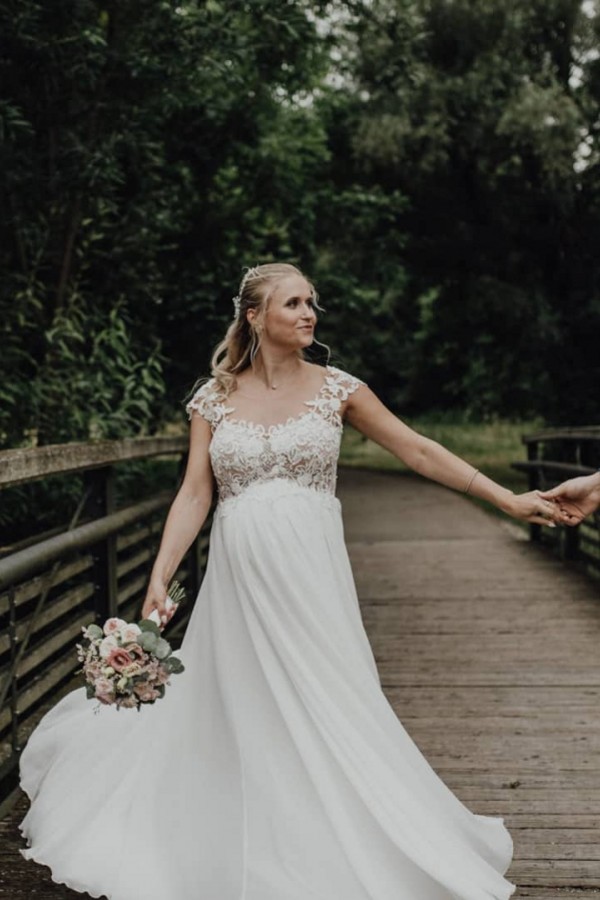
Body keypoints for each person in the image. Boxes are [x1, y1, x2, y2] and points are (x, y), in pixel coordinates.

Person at [19, 262, 565, 900]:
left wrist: (507, 499)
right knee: (244, 700)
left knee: (330, 693)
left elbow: (416, 449)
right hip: (241, 578)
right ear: (254, 316)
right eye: (294, 303)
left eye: (313, 303)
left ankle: (351, 833)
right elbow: (195, 493)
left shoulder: (338, 388)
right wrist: (159, 577)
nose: (309, 313)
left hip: (311, 573)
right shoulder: (213, 398)